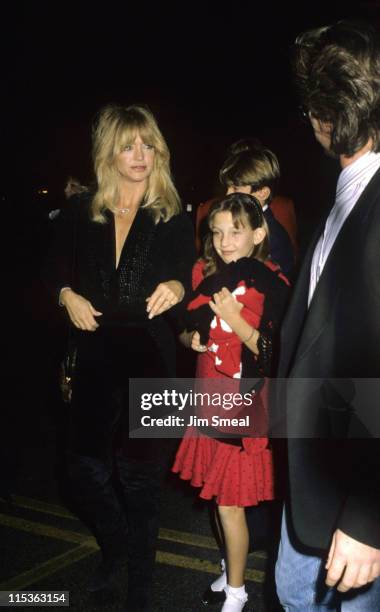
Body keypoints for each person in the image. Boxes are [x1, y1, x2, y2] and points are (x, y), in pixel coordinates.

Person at [45, 104, 195, 611]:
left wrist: (178, 284)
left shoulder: (174, 214)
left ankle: (141, 589)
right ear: (109, 151)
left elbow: (186, 272)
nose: (139, 155)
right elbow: (52, 267)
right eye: (128, 145)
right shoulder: (81, 209)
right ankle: (117, 547)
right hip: (94, 353)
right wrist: (66, 293)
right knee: (82, 471)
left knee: (142, 481)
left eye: (147, 144)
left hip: (151, 356)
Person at [275, 21, 380, 611]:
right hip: (320, 470)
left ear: (326, 110)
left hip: (357, 486)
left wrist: (368, 518)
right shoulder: (345, 196)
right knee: (293, 592)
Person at [173, 193, 289, 612]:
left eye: (235, 231)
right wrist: (194, 339)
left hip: (243, 413)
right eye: (218, 232)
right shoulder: (206, 273)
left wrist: (236, 319)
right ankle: (230, 567)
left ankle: (237, 592)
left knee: (229, 507)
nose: (224, 241)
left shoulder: (271, 282)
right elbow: (184, 330)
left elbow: (273, 353)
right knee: (221, 502)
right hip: (208, 401)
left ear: (259, 233)